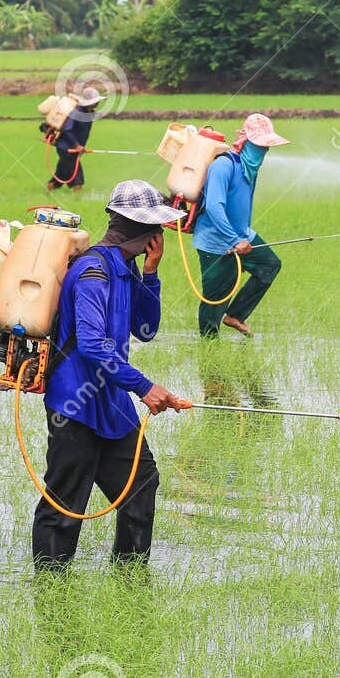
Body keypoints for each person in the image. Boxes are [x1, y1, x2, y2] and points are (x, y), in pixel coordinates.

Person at [35, 180, 192, 571]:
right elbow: (91, 345)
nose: (161, 235)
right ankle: (51, 585)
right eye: (157, 228)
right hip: (75, 403)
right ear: (144, 230)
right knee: (66, 501)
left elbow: (145, 330)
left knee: (141, 482)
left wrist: (152, 273)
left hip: (111, 401)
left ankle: (130, 573)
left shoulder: (125, 268)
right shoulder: (93, 272)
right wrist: (145, 387)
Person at [194, 113, 288, 338]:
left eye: (267, 146)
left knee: (270, 265)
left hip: (243, 235)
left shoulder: (249, 170)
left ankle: (236, 315)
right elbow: (215, 207)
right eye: (260, 145)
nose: (264, 151)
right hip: (215, 242)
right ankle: (209, 348)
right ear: (246, 142)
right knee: (216, 299)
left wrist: (241, 238)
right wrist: (234, 240)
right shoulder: (224, 166)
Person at [45, 85, 104, 194]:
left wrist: (80, 147)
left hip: (73, 149)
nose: (97, 103)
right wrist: (77, 145)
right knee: (77, 177)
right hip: (66, 148)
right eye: (95, 101)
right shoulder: (76, 112)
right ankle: (78, 198)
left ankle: (48, 190)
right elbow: (67, 129)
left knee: (61, 174)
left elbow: (82, 132)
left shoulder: (88, 113)